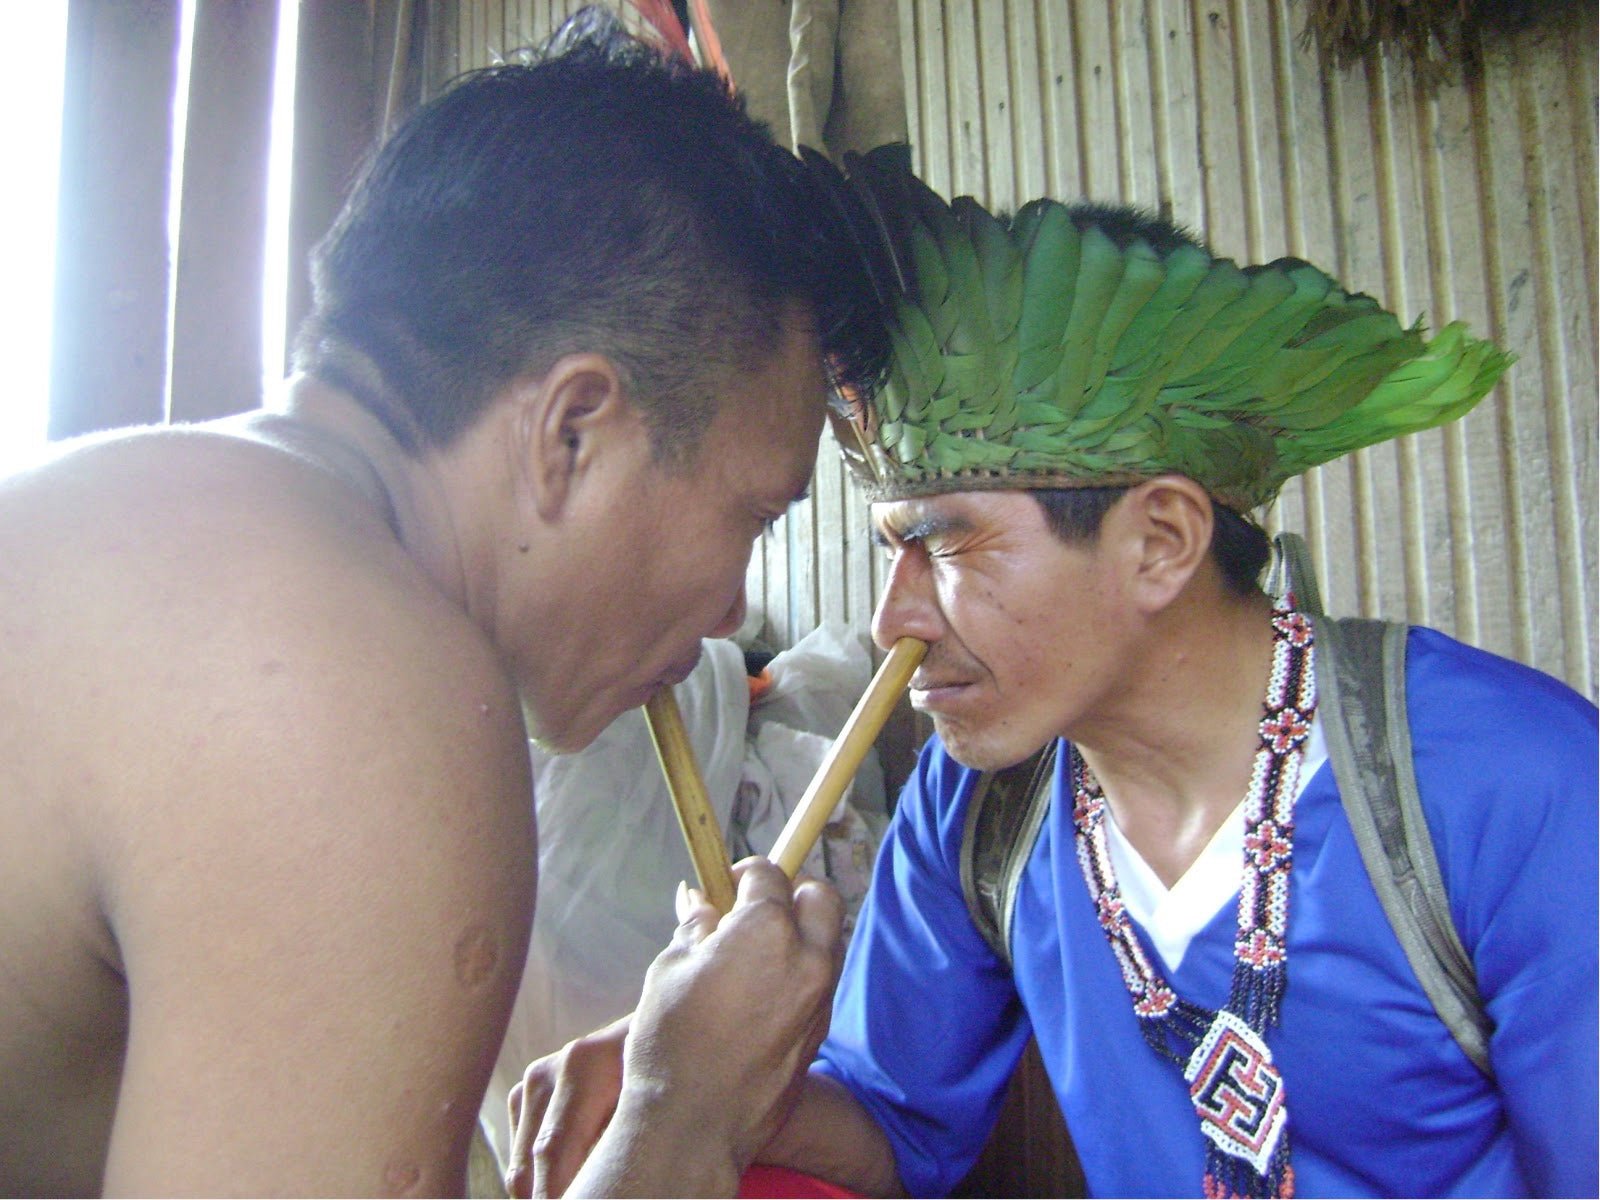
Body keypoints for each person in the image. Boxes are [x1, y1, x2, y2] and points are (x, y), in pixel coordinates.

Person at [508, 152, 1598, 1197]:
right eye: (891, 552)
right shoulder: (981, 803)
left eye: (944, 547)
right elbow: (895, 1124)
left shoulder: (1509, 788)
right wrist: (690, 1078)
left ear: (1161, 540)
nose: (893, 624)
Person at [0, 10, 889, 1195]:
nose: (733, 614)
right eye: (752, 516)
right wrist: (687, 1114)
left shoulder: (103, 502)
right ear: (575, 429)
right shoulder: (348, 690)